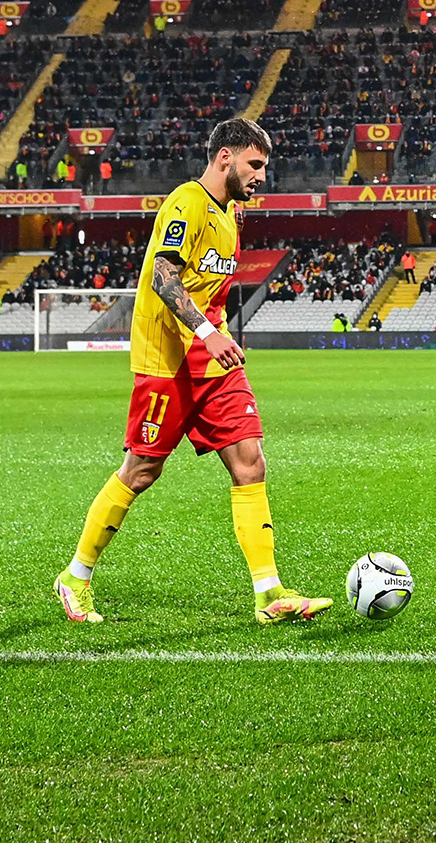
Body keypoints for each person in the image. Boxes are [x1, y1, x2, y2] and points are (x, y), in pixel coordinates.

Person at [54, 118, 331, 627]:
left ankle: (269, 594)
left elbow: (209, 286)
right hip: (168, 360)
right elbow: (164, 277)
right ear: (225, 156)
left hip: (214, 360)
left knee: (250, 462)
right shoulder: (186, 202)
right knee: (142, 471)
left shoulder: (231, 215)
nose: (262, 176)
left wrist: (217, 334)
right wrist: (209, 333)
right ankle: (75, 577)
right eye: (255, 164)